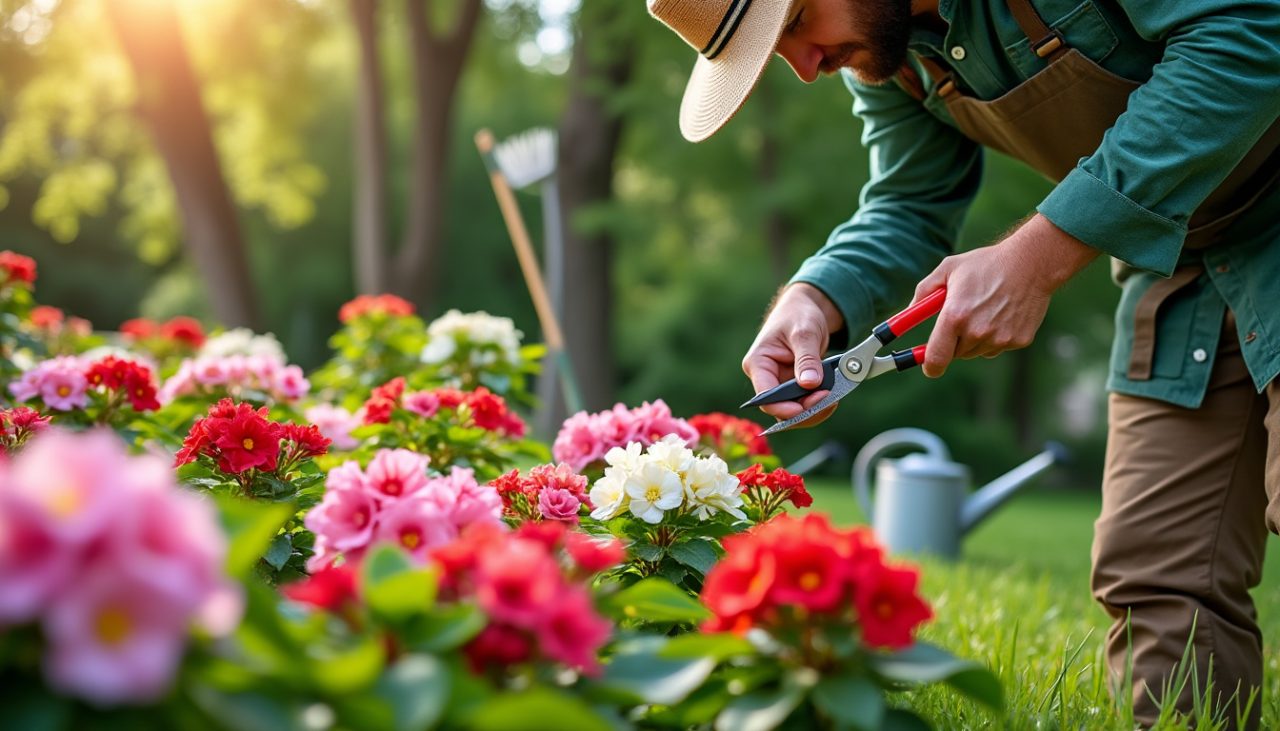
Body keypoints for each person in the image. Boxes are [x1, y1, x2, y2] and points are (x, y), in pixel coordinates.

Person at [647, 0, 1280, 726]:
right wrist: (815, 296)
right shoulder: (888, 56)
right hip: (1183, 263)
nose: (804, 67)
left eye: (792, 26)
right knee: (1163, 581)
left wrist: (1039, 255)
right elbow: (909, 201)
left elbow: (1248, 30)